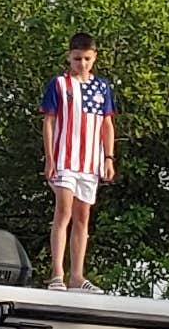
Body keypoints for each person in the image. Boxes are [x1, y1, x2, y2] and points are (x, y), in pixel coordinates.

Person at [39, 33, 117, 290]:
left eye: (86, 59)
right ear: (69, 57)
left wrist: (108, 158)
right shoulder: (60, 84)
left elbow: (107, 123)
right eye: (77, 59)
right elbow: (49, 121)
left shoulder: (103, 87)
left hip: (90, 162)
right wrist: (49, 157)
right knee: (63, 211)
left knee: (83, 217)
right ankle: (57, 274)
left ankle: (77, 276)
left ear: (94, 57)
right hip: (64, 158)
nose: (82, 64)